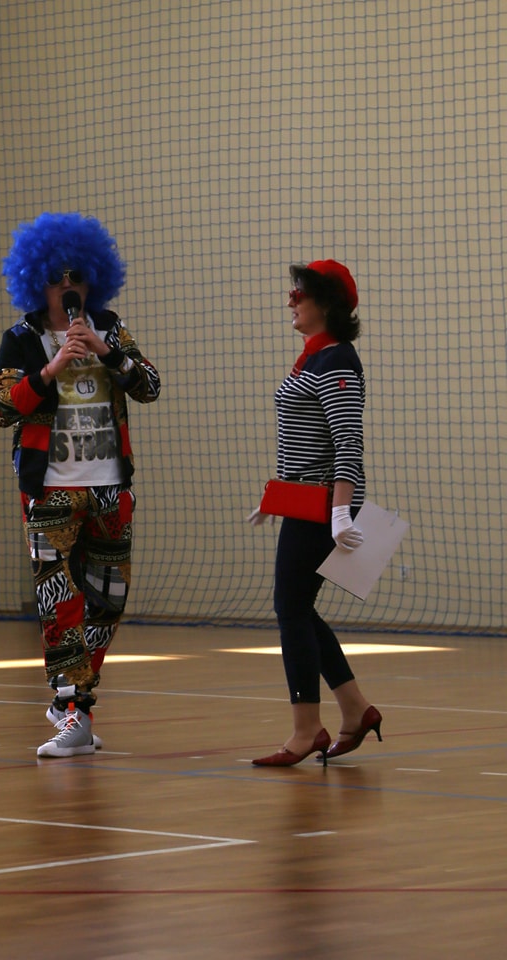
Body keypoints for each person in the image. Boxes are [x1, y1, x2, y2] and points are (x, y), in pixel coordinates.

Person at [0, 212, 161, 758]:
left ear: (94, 279)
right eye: (56, 277)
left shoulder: (110, 329)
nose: (68, 286)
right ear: (36, 282)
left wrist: (107, 353)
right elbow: (1, 407)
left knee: (108, 603)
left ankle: (74, 704)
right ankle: (73, 712)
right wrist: (51, 368)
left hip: (110, 487)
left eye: (78, 276)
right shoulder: (21, 338)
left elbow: (150, 386)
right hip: (50, 491)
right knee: (59, 603)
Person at [247, 259, 382, 767]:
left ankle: (307, 729)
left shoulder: (336, 361)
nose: (290, 298)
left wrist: (341, 511)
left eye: (299, 292)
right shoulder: (314, 359)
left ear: (325, 303)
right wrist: (277, 496)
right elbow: (307, 443)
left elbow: (347, 443)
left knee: (290, 608)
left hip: (325, 505)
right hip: (306, 501)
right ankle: (356, 710)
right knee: (298, 608)